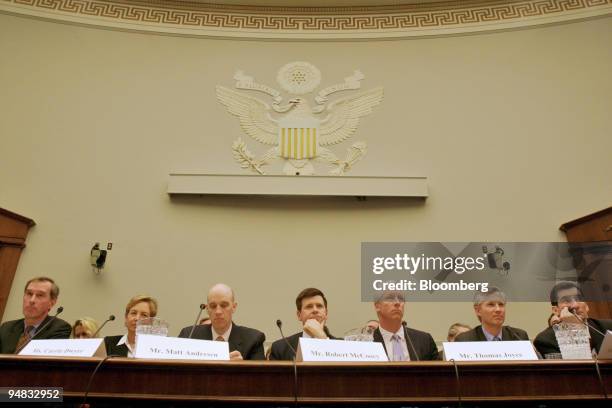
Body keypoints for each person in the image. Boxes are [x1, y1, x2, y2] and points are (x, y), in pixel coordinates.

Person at [178, 283, 265, 360]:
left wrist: (240, 367)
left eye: (224, 305)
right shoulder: (188, 336)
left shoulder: (253, 340)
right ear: (207, 309)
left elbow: (261, 377)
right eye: (213, 306)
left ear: (234, 307)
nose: (218, 312)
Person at [534, 281, 612, 356]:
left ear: (586, 306)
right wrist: (574, 328)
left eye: (578, 299)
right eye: (566, 300)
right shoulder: (545, 340)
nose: (575, 305)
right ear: (556, 310)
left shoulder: (608, 327)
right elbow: (578, 367)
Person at [0, 277, 71, 354]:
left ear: (52, 302)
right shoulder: (6, 327)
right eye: (29, 294)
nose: (32, 300)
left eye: (40, 295)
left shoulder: (60, 328)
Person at [269, 287, 336, 360]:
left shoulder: (344, 345)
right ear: (299, 315)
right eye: (309, 307)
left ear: (326, 313)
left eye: (319, 306)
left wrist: (321, 338)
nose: (315, 310)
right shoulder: (280, 348)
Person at [372, 292, 438, 361]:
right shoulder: (367, 343)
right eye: (390, 298)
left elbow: (440, 371)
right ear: (377, 306)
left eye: (401, 298)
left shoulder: (425, 340)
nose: (397, 303)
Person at [455, 287, 528, 342]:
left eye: (501, 304)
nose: (498, 309)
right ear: (478, 310)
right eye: (491, 304)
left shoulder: (519, 337)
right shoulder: (465, 340)